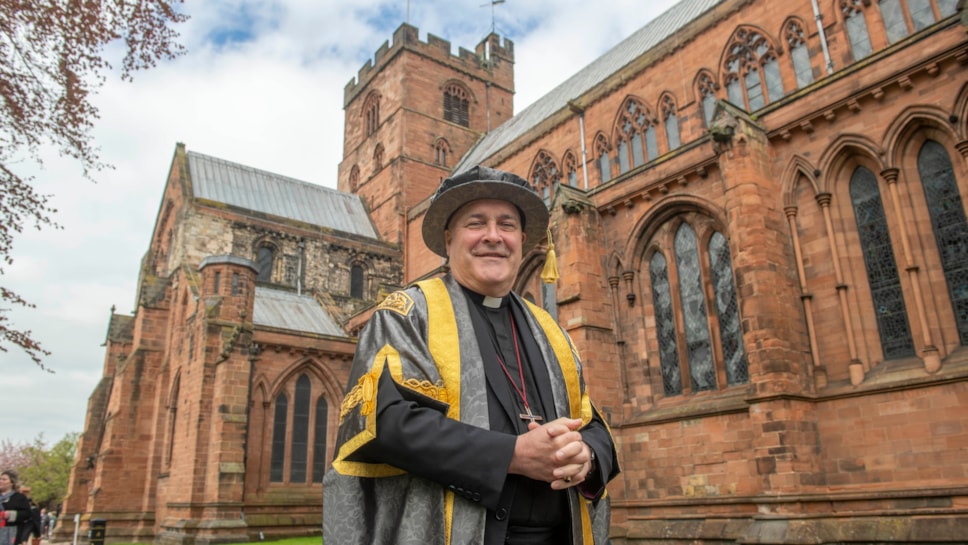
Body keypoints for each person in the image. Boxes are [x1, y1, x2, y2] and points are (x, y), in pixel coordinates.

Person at [324, 165, 620, 545]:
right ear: (449, 240)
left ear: (524, 239)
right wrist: (511, 454)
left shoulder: (550, 331)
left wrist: (586, 457)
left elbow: (591, 422)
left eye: (507, 225)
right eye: (476, 223)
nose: (493, 237)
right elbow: (384, 421)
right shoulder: (408, 313)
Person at [0, 470, 32, 545]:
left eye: (4, 479)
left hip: (12, 533)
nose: (0, 481)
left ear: (12, 483)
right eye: (0, 479)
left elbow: (27, 514)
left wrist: (11, 514)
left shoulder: (19, 497)